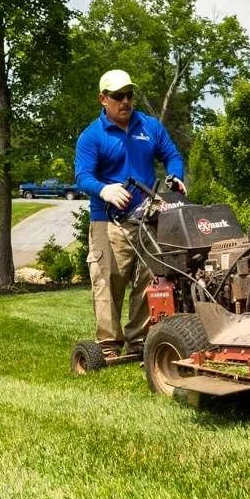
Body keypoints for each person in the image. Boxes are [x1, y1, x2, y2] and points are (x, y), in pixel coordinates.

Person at [75, 69, 186, 358]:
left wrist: (175, 175)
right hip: (108, 222)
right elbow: (82, 176)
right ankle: (108, 345)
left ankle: (138, 340)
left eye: (129, 95)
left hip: (148, 219)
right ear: (103, 99)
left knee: (150, 280)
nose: (125, 101)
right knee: (108, 282)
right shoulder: (92, 136)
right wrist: (104, 190)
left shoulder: (149, 126)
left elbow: (172, 155)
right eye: (118, 96)